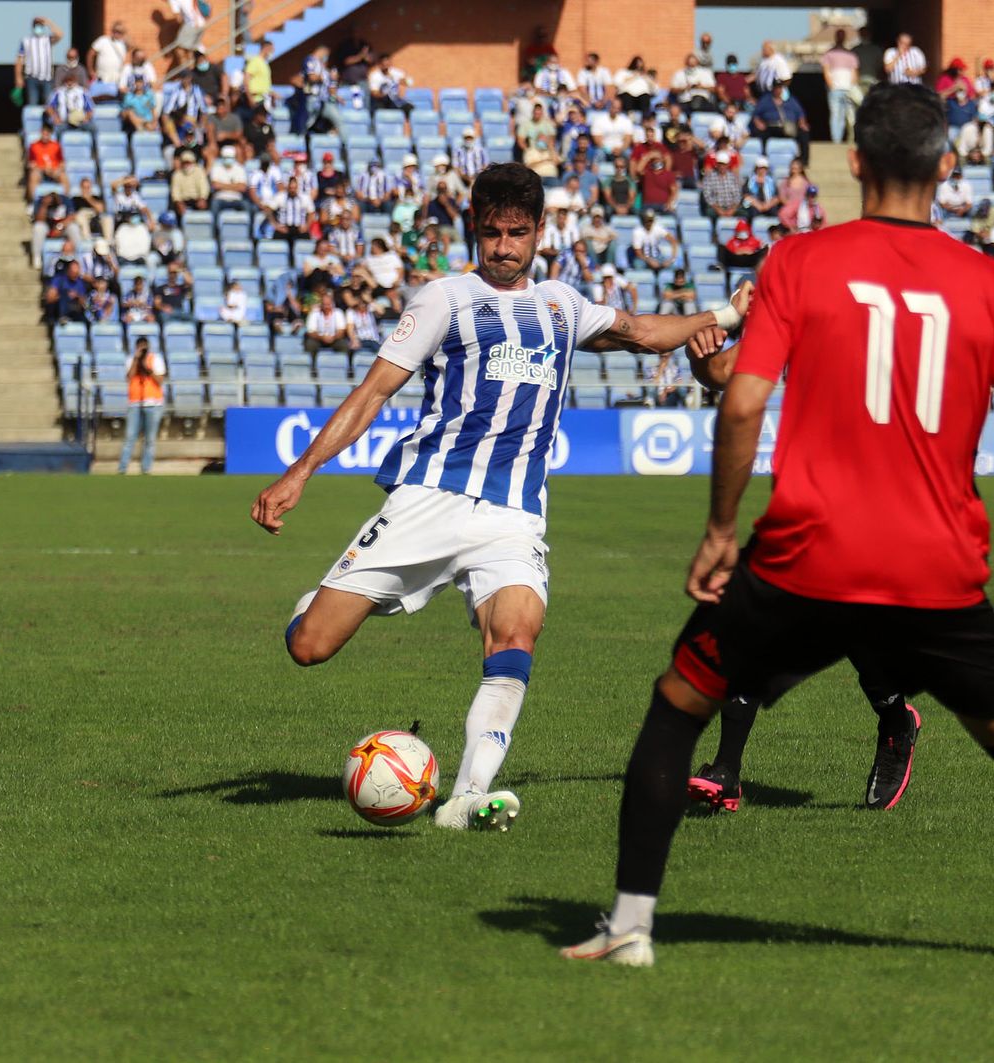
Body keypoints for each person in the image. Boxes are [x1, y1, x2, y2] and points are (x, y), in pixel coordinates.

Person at [560, 83, 994, 969]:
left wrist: (722, 528)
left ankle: (629, 928)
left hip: (805, 556)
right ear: (948, 166)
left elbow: (741, 401)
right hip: (939, 570)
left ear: (853, 164)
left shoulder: (800, 261)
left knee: (676, 705)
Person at [248, 163, 752, 833]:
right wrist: (300, 472)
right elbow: (373, 392)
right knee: (309, 645)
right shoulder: (443, 300)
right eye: (492, 233)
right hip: (429, 499)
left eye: (518, 233)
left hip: (513, 513)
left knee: (516, 631)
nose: (505, 247)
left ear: (540, 231)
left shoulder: (563, 305)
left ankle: (465, 796)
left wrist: (725, 313)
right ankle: (323, 598)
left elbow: (640, 331)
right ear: (474, 230)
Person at [120, 338, 167, 474]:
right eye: (140, 347)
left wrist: (148, 369)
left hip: (153, 404)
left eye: (144, 347)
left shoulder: (155, 359)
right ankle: (122, 468)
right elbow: (129, 377)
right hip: (135, 403)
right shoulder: (131, 360)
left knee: (150, 439)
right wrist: (136, 360)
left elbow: (160, 381)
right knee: (130, 437)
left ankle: (146, 469)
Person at [17, 17, 61, 108]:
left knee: (49, 106)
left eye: (40, 26)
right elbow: (19, 60)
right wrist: (18, 77)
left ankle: (47, 122)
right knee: (33, 105)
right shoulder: (26, 41)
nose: (38, 28)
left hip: (47, 79)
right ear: (33, 27)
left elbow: (60, 34)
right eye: (37, 25)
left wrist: (49, 22)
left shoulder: (48, 39)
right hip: (31, 78)